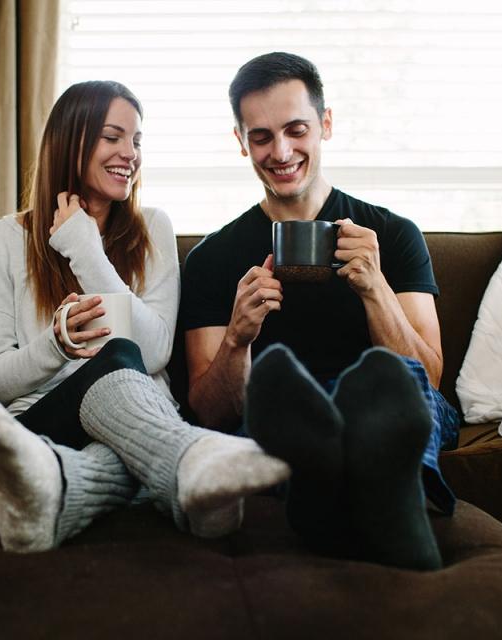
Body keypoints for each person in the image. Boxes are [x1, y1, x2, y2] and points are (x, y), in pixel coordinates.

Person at [0, 80, 289, 553]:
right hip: (43, 423)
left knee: (124, 365)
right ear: (70, 141)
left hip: (133, 426)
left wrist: (85, 250)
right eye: (112, 137)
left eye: (137, 140)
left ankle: (60, 483)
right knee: (118, 351)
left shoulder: (153, 230)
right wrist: (56, 345)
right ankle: (189, 460)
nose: (130, 153)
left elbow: (155, 351)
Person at [180, 52, 460, 570]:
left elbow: (431, 377)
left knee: (399, 391)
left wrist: (375, 288)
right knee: (276, 413)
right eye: (261, 136)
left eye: (296, 129)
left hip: (383, 408)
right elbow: (209, 412)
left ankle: (325, 487)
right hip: (285, 413)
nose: (280, 151)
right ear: (241, 141)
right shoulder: (212, 259)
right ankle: (381, 504)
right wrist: (239, 337)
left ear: (325, 125)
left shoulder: (392, 235)